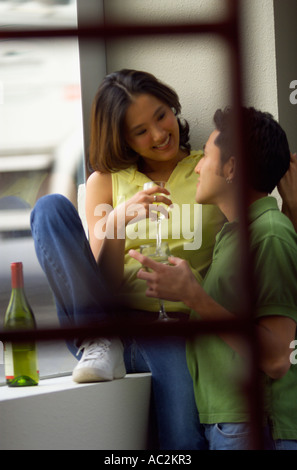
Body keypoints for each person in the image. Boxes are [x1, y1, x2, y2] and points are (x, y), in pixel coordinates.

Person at [30, 69, 225, 450]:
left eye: (161, 115)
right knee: (49, 208)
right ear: (122, 138)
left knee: (183, 440)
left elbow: (255, 241)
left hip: (175, 331)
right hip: (108, 327)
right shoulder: (108, 180)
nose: (158, 134)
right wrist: (117, 221)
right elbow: (105, 284)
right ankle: (99, 339)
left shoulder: (208, 170)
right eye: (140, 131)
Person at [130, 106, 297, 450]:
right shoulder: (236, 234)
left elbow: (278, 358)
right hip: (228, 421)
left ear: (232, 167)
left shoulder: (267, 234)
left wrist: (195, 297)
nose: (198, 165)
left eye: (206, 156)